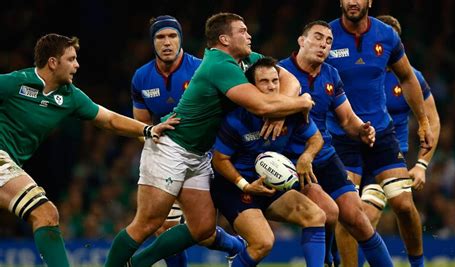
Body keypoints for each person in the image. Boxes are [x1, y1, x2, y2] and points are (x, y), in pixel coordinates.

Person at [105, 12, 314, 267]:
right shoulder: (218, 65)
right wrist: (299, 102)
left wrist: (283, 112)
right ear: (225, 39)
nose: (249, 35)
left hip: (199, 153)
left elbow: (288, 78)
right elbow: (261, 106)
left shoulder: (247, 60)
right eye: (243, 31)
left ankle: (138, 263)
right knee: (147, 224)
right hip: (171, 147)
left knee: (202, 228)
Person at [0, 33, 179, 267]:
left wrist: (148, 130)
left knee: (45, 214)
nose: (77, 65)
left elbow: (110, 120)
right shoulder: (16, 83)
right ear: (53, 63)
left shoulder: (70, 96)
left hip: (11, 162)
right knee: (45, 212)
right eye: (71, 59)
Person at [325, 1, 435, 267]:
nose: (353, 2)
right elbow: (306, 74)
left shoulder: (386, 35)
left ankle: (417, 265)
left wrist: (423, 122)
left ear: (369, 2)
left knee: (404, 206)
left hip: (382, 135)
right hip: (342, 138)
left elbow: (407, 77)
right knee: (350, 214)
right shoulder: (326, 35)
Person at [279, 20, 393, 266]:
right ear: (301, 40)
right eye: (318, 37)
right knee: (326, 212)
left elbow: (348, 119)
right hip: (291, 160)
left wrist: (362, 129)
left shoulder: (331, 74)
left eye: (329, 41)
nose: (323, 45)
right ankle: (330, 258)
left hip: (324, 156)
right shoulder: (279, 73)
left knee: (357, 218)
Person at [211, 56, 328, 267]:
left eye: (275, 80)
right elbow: (219, 160)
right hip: (236, 188)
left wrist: (306, 156)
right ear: (252, 87)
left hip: (270, 185)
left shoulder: (291, 111)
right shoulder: (237, 119)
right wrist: (244, 184)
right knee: (263, 243)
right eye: (264, 82)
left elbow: (316, 138)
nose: (272, 86)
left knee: (316, 215)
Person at [356, 14, 441, 267]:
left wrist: (422, 165)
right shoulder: (357, 70)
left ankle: (417, 264)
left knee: (399, 207)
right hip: (354, 152)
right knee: (355, 217)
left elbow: (433, 120)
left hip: (391, 153)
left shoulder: (411, 77)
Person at [130, 15, 202, 267]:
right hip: (165, 159)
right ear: (153, 42)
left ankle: (235, 247)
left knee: (202, 229)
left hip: (202, 157)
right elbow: (142, 128)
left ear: (181, 39)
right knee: (165, 228)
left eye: (172, 36)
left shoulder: (199, 69)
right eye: (160, 37)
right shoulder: (141, 77)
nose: (167, 42)